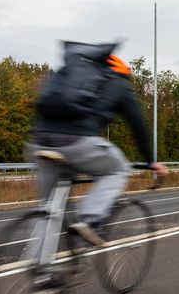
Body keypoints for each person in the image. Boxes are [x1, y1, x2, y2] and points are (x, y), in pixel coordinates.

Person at [28, 41, 168, 267]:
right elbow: (138, 126)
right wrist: (151, 161)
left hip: (41, 140)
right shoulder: (120, 83)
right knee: (118, 168)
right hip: (78, 141)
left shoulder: (70, 71)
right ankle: (90, 219)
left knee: (49, 210)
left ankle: (40, 271)